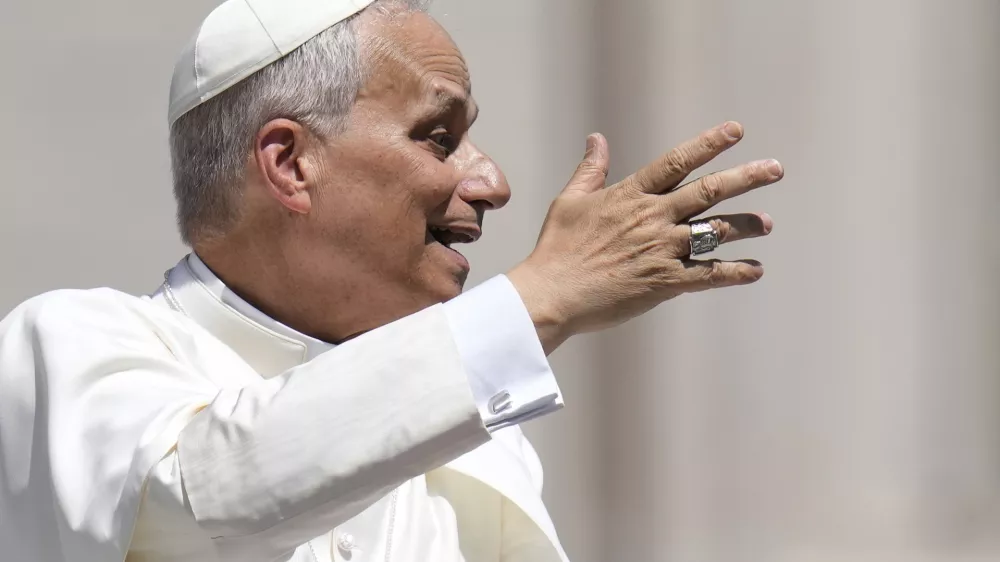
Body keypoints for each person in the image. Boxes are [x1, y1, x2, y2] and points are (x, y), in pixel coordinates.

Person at [0, 0, 785, 561]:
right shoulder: (64, 347)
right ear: (290, 163)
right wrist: (539, 300)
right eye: (439, 137)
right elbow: (201, 507)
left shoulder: (477, 447)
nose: (492, 181)